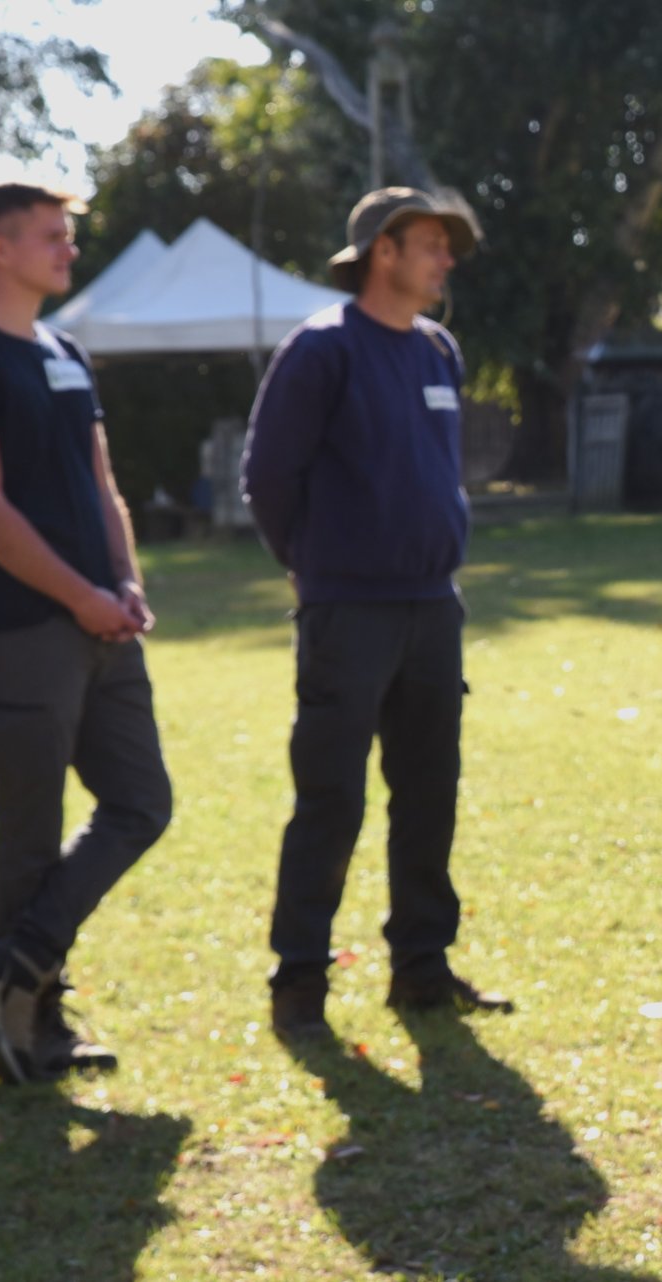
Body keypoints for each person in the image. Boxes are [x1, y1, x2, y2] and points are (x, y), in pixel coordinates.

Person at [0, 180, 171, 1084]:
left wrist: (125, 583)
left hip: (103, 620)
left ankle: (16, 965)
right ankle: (29, 1030)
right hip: (18, 626)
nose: (68, 251)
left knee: (142, 803)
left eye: (69, 235)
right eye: (51, 238)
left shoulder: (64, 350)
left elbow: (102, 485)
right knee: (29, 825)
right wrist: (79, 597)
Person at [243, 186, 510, 1040]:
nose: (445, 260)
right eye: (429, 244)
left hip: (433, 607)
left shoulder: (437, 349)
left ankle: (421, 970)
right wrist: (315, 568)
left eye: (447, 246)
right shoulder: (322, 350)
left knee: (429, 794)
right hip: (347, 612)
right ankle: (300, 986)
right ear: (381, 253)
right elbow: (269, 480)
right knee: (332, 799)